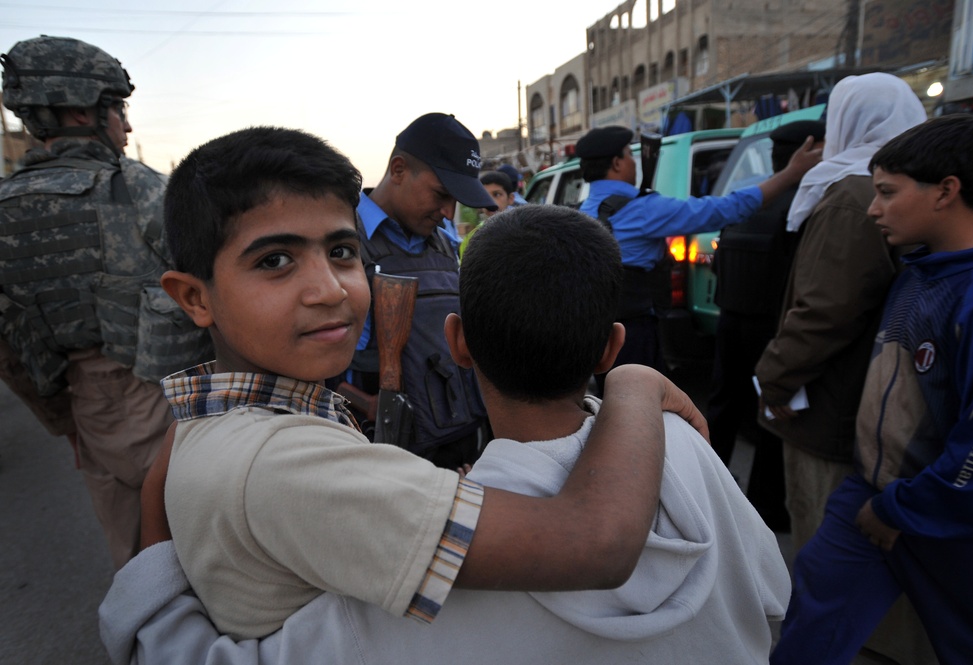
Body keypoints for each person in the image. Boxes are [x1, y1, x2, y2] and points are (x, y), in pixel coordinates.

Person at [100, 204, 787, 665]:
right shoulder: (681, 442)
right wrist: (634, 385)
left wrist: (151, 556)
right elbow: (770, 591)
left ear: (457, 342)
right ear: (609, 347)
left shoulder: (426, 566)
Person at [143, 125, 705, 642]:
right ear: (193, 296)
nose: (330, 290)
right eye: (274, 261)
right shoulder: (287, 463)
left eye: (341, 252)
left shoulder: (226, 423)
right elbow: (595, 545)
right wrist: (631, 382)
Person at [771, 114, 973, 664]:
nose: (873, 209)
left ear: (947, 192)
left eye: (887, 193)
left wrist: (903, 509)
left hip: (948, 516)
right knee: (811, 616)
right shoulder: (916, 274)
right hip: (873, 495)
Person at [0, 35, 211, 569]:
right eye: (117, 109)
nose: (127, 126)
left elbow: (8, 350)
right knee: (209, 556)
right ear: (78, 111)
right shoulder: (137, 190)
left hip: (85, 409)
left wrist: (65, 421)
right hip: (168, 400)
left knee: (136, 567)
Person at [754, 73, 934, 664]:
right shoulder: (913, 191)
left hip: (834, 414)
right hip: (892, 412)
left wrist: (773, 380)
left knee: (834, 565)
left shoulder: (854, 195)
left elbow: (822, 312)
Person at [576, 124, 821, 391]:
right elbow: (724, 210)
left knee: (610, 401)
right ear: (616, 163)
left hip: (599, 328)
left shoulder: (585, 210)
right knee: (639, 403)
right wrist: (790, 175)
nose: (635, 164)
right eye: (629, 155)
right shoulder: (643, 209)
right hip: (635, 331)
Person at [340, 113, 492, 468]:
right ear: (398, 170)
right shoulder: (341, 240)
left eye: (456, 200)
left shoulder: (444, 244)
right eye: (441, 194)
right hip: (377, 450)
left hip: (458, 444)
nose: (448, 212)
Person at [706, 119, 825, 532]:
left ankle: (707, 487)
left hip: (730, 320)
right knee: (774, 416)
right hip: (773, 328)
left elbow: (721, 262)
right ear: (810, 150)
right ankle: (766, 506)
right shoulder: (806, 202)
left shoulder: (751, 199)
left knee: (723, 408)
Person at [459, 170, 515, 257]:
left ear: (510, 198)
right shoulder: (472, 238)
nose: (490, 202)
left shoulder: (521, 231)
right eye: (485, 196)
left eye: (497, 194)